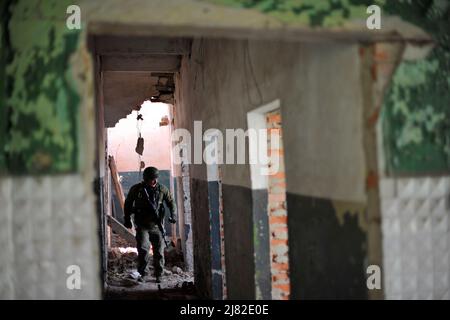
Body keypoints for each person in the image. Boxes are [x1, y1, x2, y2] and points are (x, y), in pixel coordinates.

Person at [123, 166, 177, 283]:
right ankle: (143, 273)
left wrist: (173, 215)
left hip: (157, 226)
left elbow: (171, 202)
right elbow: (128, 204)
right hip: (142, 226)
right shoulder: (137, 189)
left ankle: (159, 274)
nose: (153, 181)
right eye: (150, 179)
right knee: (143, 250)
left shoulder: (162, 189)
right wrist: (127, 218)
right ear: (145, 179)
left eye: (154, 179)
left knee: (159, 251)